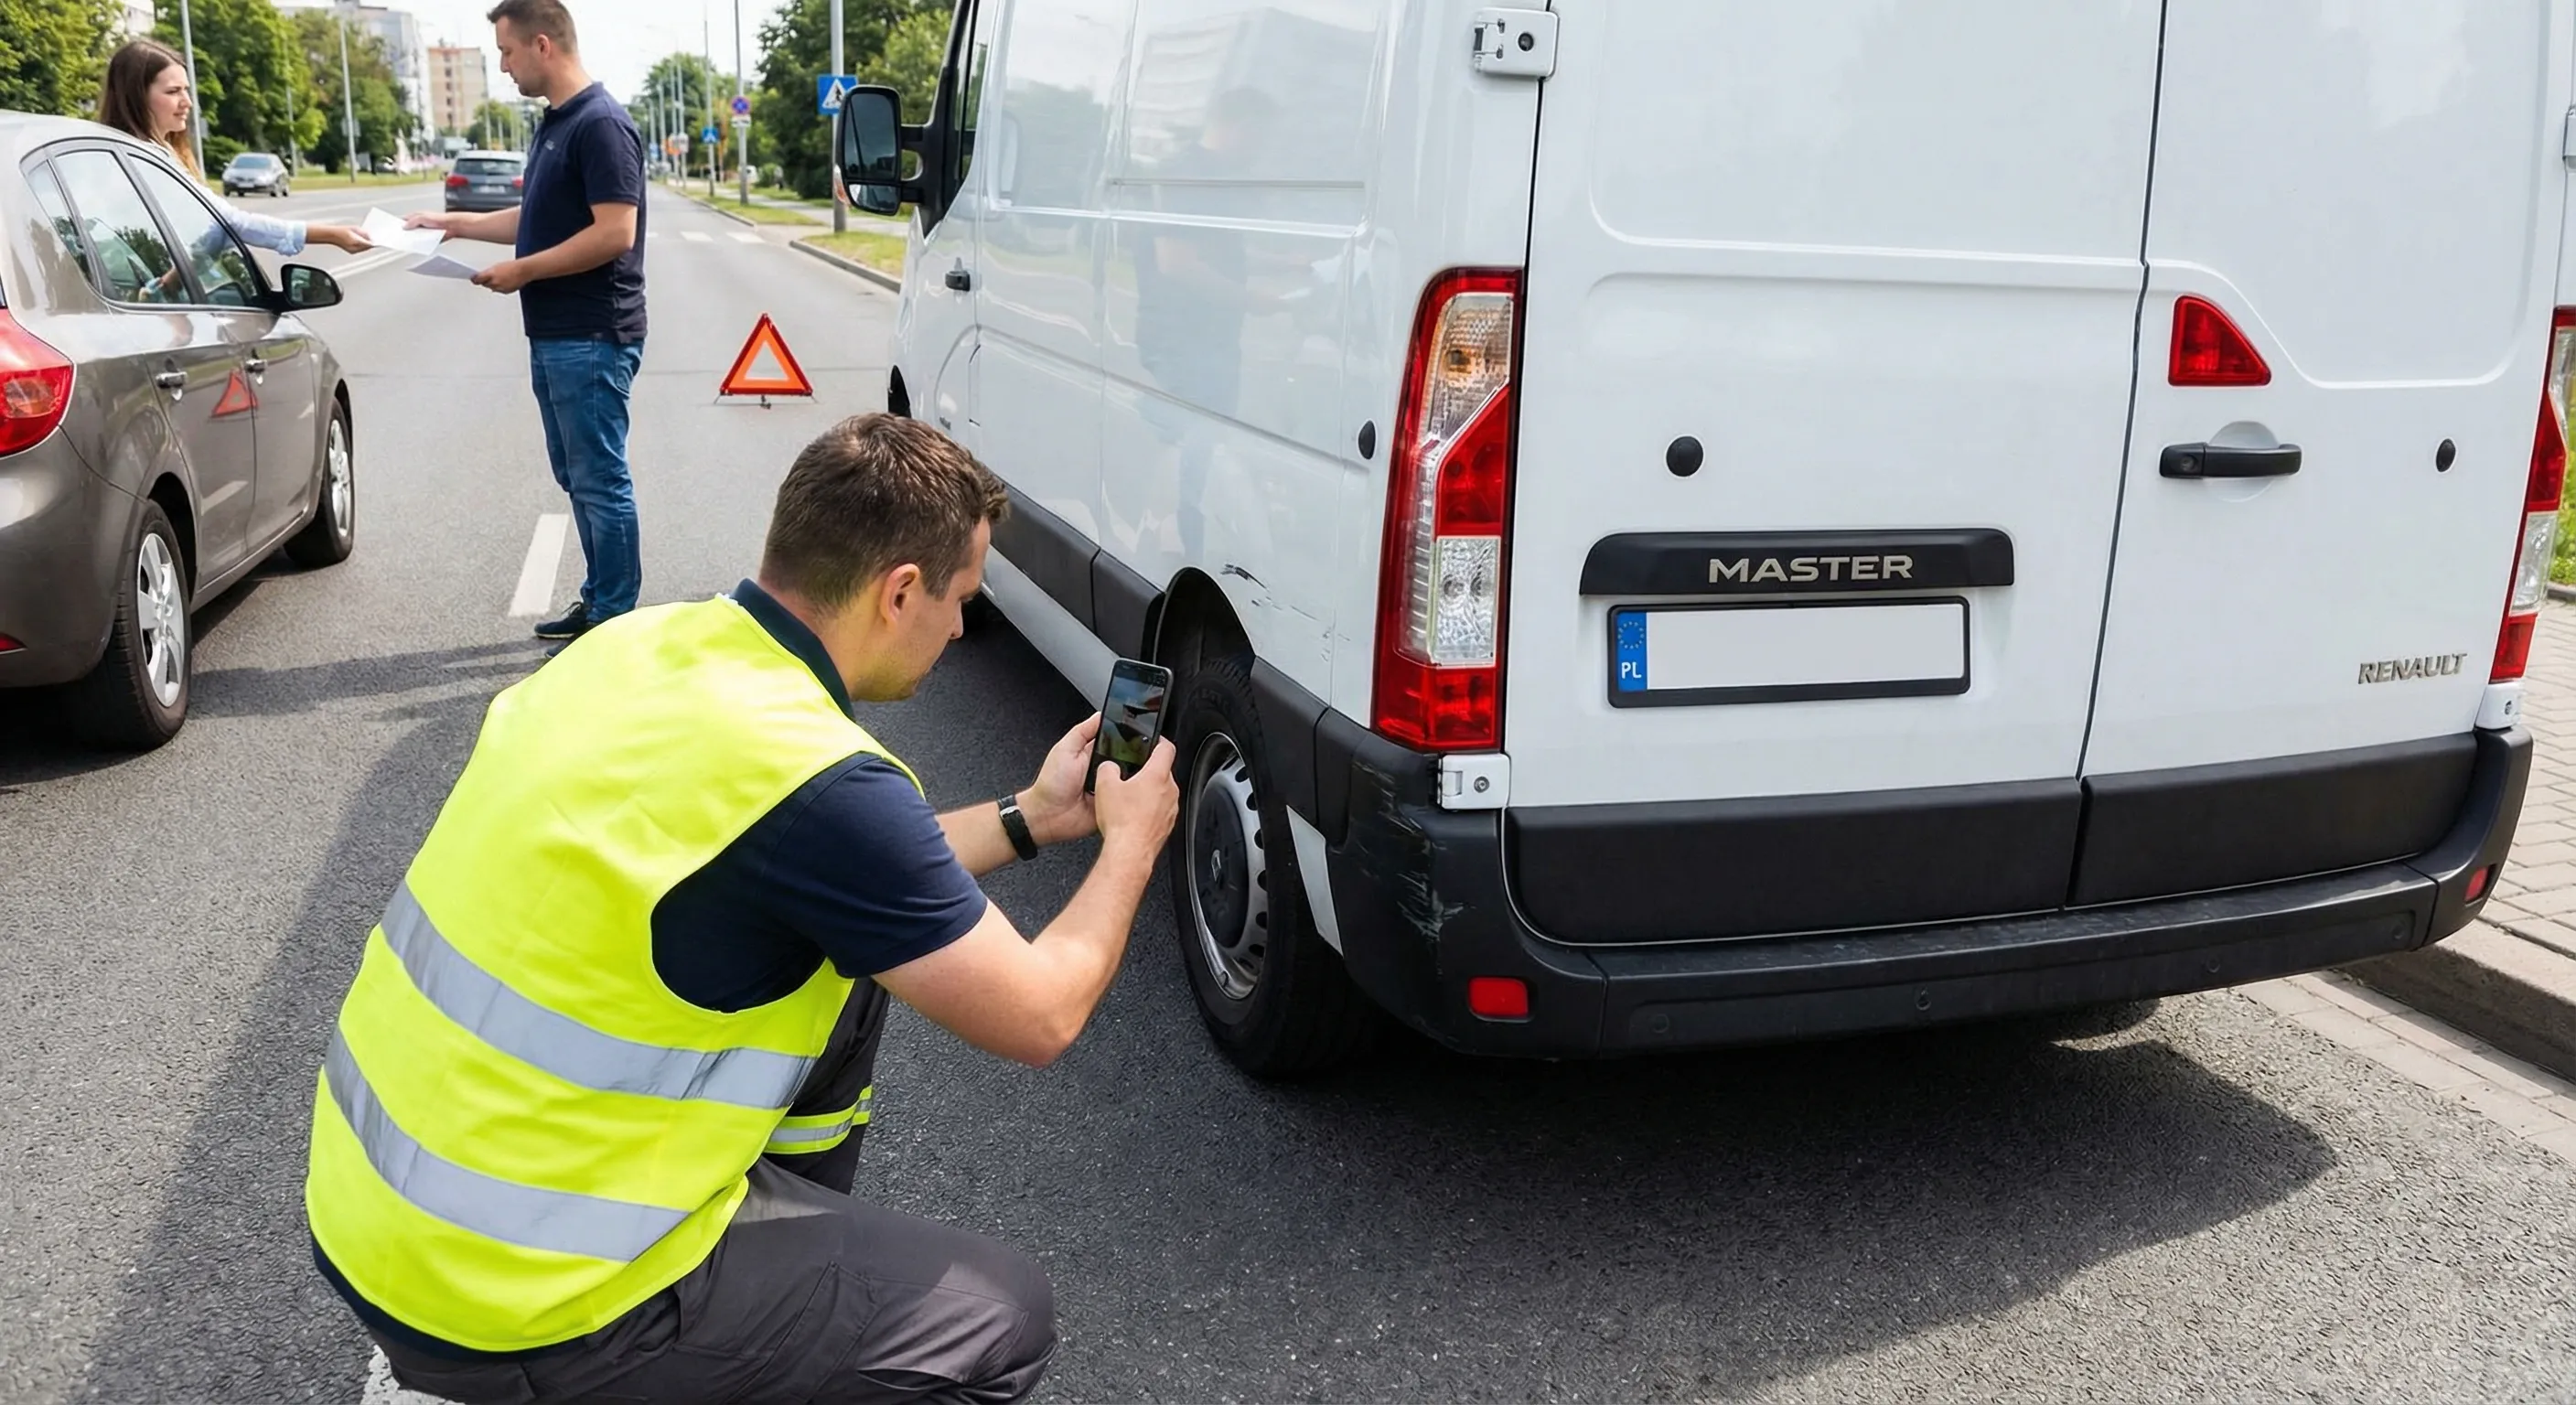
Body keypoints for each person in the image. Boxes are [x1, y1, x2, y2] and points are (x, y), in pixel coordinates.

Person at [306, 413, 1180, 1404]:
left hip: (375, 1217)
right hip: (524, 1301)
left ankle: (765, 1288)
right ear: (899, 591)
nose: (959, 627)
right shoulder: (820, 782)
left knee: (856, 969)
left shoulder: (641, 649)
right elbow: (1041, 1012)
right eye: (959, 599)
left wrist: (1033, 816)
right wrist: (1132, 844)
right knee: (1000, 1316)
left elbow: (854, 877)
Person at [406, 0, 648, 650]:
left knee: (600, 478)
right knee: (578, 476)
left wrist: (526, 272)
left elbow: (615, 233)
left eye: (508, 53)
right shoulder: (555, 125)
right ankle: (601, 600)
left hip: (593, 332)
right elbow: (536, 217)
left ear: (543, 45)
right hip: (556, 333)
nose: (504, 66)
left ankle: (616, 620)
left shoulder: (600, 125)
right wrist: (455, 224)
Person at [96, 40, 373, 260]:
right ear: (135, 97)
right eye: (173, 92)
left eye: (186, 90)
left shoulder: (158, 152)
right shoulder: (141, 161)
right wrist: (331, 235)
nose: (188, 102)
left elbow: (207, 233)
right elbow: (230, 223)